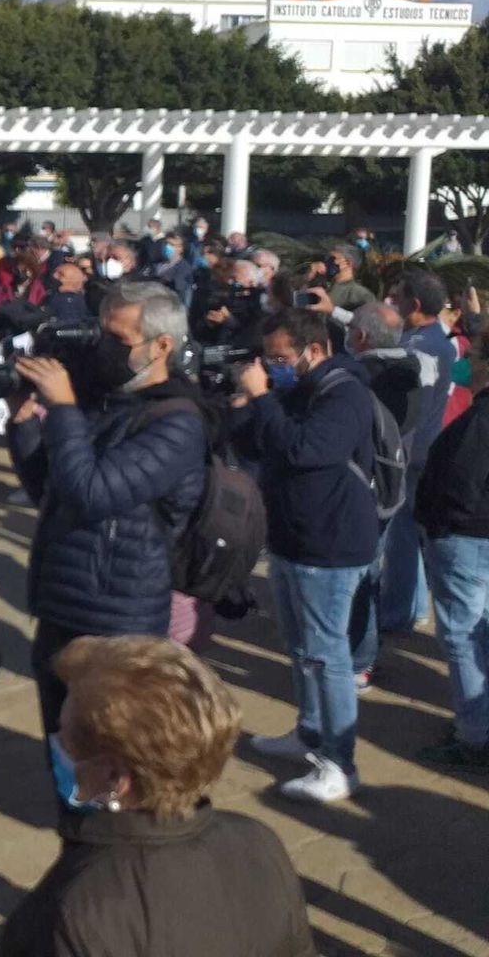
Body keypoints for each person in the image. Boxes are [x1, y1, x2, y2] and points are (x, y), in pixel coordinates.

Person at [0, 636, 315, 957]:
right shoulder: (259, 842)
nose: (56, 741)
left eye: (65, 735)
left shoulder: (70, 913)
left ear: (114, 777)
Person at [6, 281, 208, 762]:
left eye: (118, 341)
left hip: (119, 620)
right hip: (63, 607)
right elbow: (52, 491)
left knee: (113, 755)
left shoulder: (178, 421)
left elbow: (91, 493)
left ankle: (108, 832)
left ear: (162, 346)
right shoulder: (107, 400)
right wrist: (24, 423)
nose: (106, 352)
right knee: (64, 749)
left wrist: (64, 408)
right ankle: (74, 824)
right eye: (102, 337)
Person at [235, 310, 376, 803]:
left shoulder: (346, 394)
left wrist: (261, 398)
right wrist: (246, 406)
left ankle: (341, 763)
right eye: (269, 359)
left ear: (314, 351)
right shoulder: (301, 390)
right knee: (300, 649)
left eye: (280, 358)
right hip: (294, 538)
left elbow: (303, 450)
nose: (273, 368)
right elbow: (259, 443)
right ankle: (310, 733)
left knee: (326, 654)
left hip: (331, 546)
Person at [415, 336, 489, 768]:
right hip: (474, 538)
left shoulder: (481, 420)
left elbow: (458, 486)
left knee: (463, 636)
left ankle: (475, 736)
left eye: (476, 357)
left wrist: (436, 523)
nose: (470, 364)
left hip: (466, 539)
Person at [345, 302, 423, 691]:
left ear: (360, 338)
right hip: (390, 488)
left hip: (367, 492)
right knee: (370, 573)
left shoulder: (366, 380)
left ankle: (360, 658)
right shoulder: (409, 368)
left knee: (362, 578)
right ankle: (363, 653)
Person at [383, 271, 458, 634]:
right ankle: (410, 607)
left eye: (397, 298)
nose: (392, 303)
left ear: (414, 304)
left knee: (403, 540)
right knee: (407, 538)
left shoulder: (424, 345)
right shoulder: (429, 339)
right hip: (417, 452)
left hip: (412, 455)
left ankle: (399, 613)